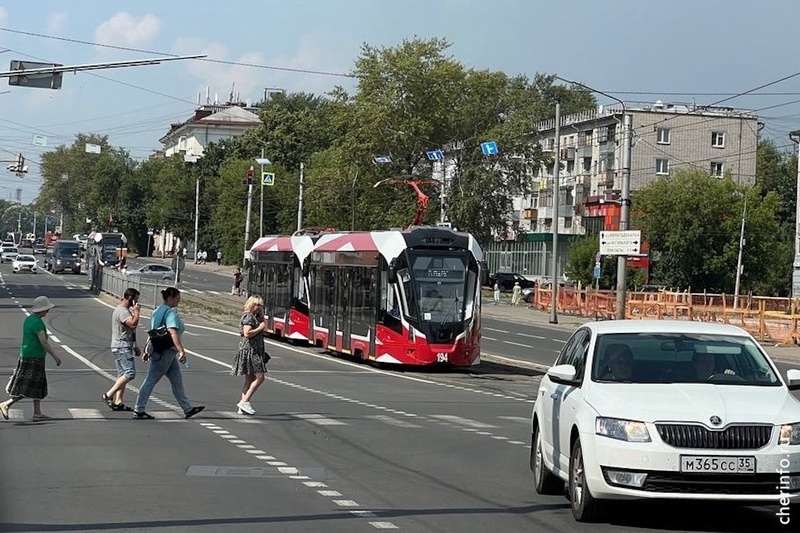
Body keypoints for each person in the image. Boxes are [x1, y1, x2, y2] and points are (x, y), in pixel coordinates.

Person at [132, 287, 204, 420]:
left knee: (176, 380)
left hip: (163, 351)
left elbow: (153, 331)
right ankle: (139, 409)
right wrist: (182, 351)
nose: (179, 300)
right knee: (151, 380)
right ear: (171, 298)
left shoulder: (157, 310)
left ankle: (187, 408)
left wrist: (148, 350)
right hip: (166, 351)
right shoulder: (170, 312)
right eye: (178, 298)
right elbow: (172, 332)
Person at [0, 296, 63, 421]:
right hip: (33, 357)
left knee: (37, 385)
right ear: (41, 310)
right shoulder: (37, 322)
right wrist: (56, 357)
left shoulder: (29, 319)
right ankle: (6, 404)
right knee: (27, 386)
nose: (47, 312)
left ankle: (37, 412)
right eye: (46, 309)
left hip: (30, 355)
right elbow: (43, 341)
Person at [102, 288, 141, 412]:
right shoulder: (123, 311)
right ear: (130, 298)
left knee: (121, 374)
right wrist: (137, 312)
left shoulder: (124, 310)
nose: (136, 303)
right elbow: (133, 325)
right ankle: (108, 395)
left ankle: (119, 401)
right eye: (135, 300)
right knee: (130, 373)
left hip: (122, 345)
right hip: (121, 346)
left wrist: (135, 346)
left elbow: (131, 331)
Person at [232, 295, 271, 415]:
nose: (259, 308)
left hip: (252, 350)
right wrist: (260, 328)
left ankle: (243, 404)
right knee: (260, 377)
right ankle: (245, 402)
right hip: (250, 351)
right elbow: (247, 333)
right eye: (257, 305)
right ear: (251, 304)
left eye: (261, 305)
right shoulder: (248, 317)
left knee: (249, 379)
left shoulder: (253, 317)